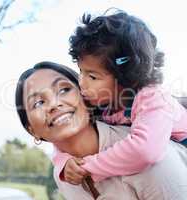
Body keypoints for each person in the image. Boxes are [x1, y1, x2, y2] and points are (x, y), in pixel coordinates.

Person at [15, 61, 187, 200]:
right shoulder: (63, 176)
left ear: (86, 97)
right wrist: (62, 165)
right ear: (32, 130)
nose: (54, 104)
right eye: (38, 103)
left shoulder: (146, 152)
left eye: (64, 90)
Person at [53, 8, 187, 184]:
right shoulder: (95, 100)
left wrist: (88, 167)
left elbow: (145, 151)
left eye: (92, 76)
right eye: (81, 71)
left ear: (127, 77)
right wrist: (65, 162)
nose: (82, 83)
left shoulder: (154, 98)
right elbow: (66, 131)